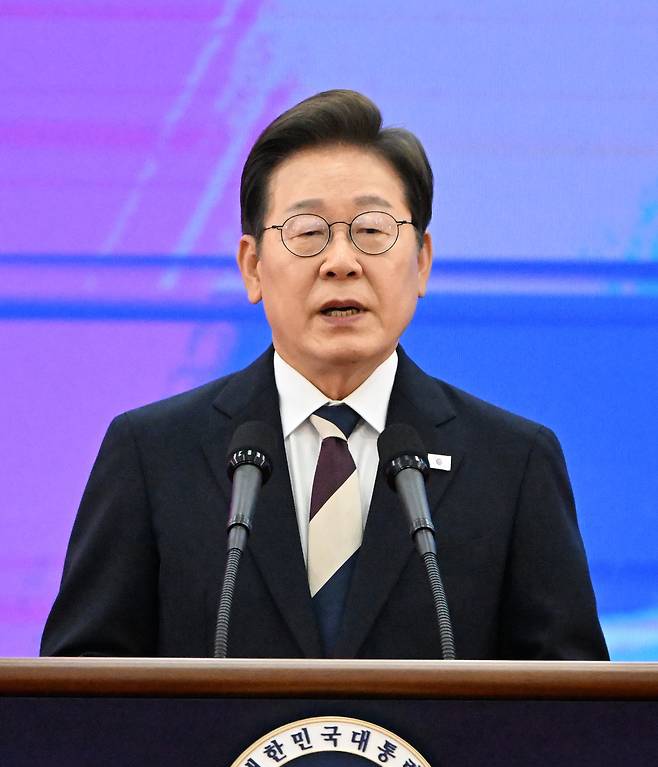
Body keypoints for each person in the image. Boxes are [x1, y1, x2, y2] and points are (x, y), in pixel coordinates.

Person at [41, 90, 609, 660]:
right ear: (252, 266)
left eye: (372, 229)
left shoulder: (511, 463)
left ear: (421, 262)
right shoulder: (154, 455)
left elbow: (571, 720)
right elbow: (79, 705)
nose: (341, 261)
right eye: (309, 232)